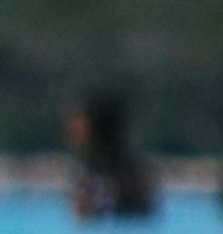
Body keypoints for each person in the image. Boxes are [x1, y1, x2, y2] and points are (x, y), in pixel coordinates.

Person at [67, 93, 160, 221]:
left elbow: (87, 216)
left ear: (95, 129)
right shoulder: (136, 172)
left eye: (78, 121)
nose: (71, 127)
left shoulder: (95, 176)